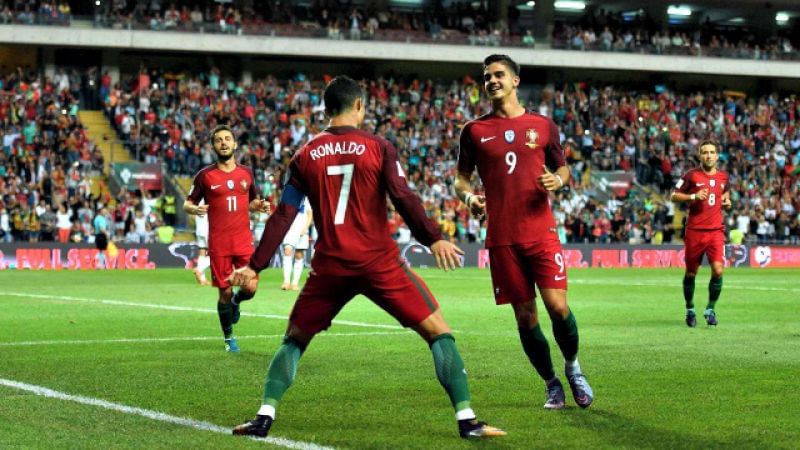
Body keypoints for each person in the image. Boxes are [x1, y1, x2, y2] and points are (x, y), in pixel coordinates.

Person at [228, 76, 505, 440]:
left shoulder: (304, 155)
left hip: (330, 266)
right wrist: (433, 239)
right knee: (439, 332)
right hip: (379, 262)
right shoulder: (379, 146)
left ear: (327, 109)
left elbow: (284, 214)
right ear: (359, 105)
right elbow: (403, 197)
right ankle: (467, 419)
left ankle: (264, 417)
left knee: (294, 339)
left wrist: (256, 265)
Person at [455, 54, 594, 410]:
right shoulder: (473, 130)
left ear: (516, 80)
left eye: (499, 74)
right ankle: (551, 384)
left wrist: (557, 181)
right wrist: (469, 197)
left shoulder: (543, 125)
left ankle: (574, 368)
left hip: (540, 231)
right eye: (487, 77)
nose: (492, 80)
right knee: (525, 317)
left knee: (558, 307)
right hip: (502, 238)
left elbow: (564, 171)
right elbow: (461, 181)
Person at [184, 124, 271, 353]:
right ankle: (229, 337)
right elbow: (188, 202)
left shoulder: (246, 173)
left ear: (235, 144)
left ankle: (236, 303)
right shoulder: (205, 175)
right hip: (220, 244)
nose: (223, 143)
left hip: (243, 241)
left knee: (250, 287)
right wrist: (195, 210)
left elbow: (250, 200)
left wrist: (259, 205)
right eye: (219, 140)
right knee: (224, 291)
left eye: (227, 139)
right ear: (213, 146)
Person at [671, 140, 731, 327]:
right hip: (695, 232)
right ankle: (690, 308)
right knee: (691, 273)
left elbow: (725, 195)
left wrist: (727, 202)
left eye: (712, 152)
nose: (709, 155)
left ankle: (710, 309)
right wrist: (693, 196)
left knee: (718, 270)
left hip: (715, 232)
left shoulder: (723, 177)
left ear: (717, 155)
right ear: (700, 155)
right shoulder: (691, 175)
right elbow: (674, 196)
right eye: (705, 152)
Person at [280, 197, 313, 290]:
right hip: (289, 229)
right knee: (287, 251)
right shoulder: (290, 197)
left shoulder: (307, 199)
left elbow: (310, 215)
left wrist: (305, 228)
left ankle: (294, 283)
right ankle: (286, 282)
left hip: (302, 230)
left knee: (299, 255)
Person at [193, 199, 211, 286]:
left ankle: (202, 279)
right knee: (216, 252)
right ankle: (199, 269)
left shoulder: (197, 193)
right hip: (207, 225)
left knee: (202, 250)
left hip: (199, 225)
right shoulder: (209, 191)